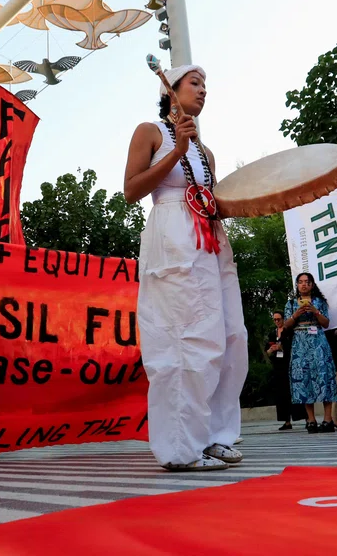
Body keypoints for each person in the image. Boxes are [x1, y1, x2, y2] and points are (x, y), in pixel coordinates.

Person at [124, 65, 248, 471]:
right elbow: (131, 190)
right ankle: (181, 447)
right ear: (170, 90)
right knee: (185, 337)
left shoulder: (206, 152)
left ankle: (216, 436)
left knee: (230, 335)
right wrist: (176, 151)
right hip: (173, 237)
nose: (203, 90)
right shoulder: (152, 132)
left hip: (212, 241)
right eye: (195, 83)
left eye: (206, 85)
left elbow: (215, 199)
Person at [283, 273, 337, 433]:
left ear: (312, 285)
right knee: (304, 377)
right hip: (300, 343)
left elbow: (326, 323)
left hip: (318, 341)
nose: (304, 285)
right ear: (297, 285)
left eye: (307, 282)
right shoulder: (291, 303)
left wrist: (315, 311)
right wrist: (296, 315)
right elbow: (286, 325)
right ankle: (311, 420)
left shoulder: (320, 302)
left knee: (324, 375)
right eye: (300, 282)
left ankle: (328, 420)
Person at [266, 312, 305, 430]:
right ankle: (286, 420)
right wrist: (270, 350)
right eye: (275, 320)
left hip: (289, 363)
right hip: (278, 366)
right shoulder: (272, 334)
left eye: (279, 319)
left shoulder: (289, 332)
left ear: (283, 319)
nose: (277, 322)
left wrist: (281, 347)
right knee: (281, 393)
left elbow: (294, 346)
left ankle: (304, 416)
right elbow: (266, 349)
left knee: (294, 390)